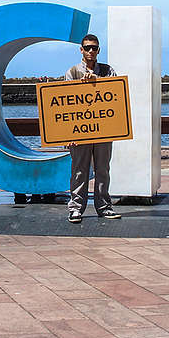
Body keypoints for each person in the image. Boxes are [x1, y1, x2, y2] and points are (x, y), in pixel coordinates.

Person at [64, 34, 121, 223]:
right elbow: (66, 106)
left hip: (103, 130)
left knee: (103, 169)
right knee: (79, 170)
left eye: (94, 48)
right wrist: (68, 134)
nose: (90, 51)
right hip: (80, 131)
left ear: (98, 50)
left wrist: (97, 81)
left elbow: (115, 93)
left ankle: (104, 207)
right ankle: (76, 208)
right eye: (87, 47)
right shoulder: (72, 72)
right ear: (81, 49)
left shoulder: (107, 70)